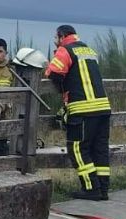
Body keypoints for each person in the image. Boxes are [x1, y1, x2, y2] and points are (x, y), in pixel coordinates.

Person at [45, 25, 111, 200]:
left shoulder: (65, 50)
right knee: (99, 149)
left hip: (82, 108)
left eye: (55, 37)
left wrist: (49, 66)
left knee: (77, 149)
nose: (54, 41)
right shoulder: (89, 50)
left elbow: (54, 73)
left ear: (62, 36)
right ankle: (103, 189)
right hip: (103, 107)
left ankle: (91, 188)